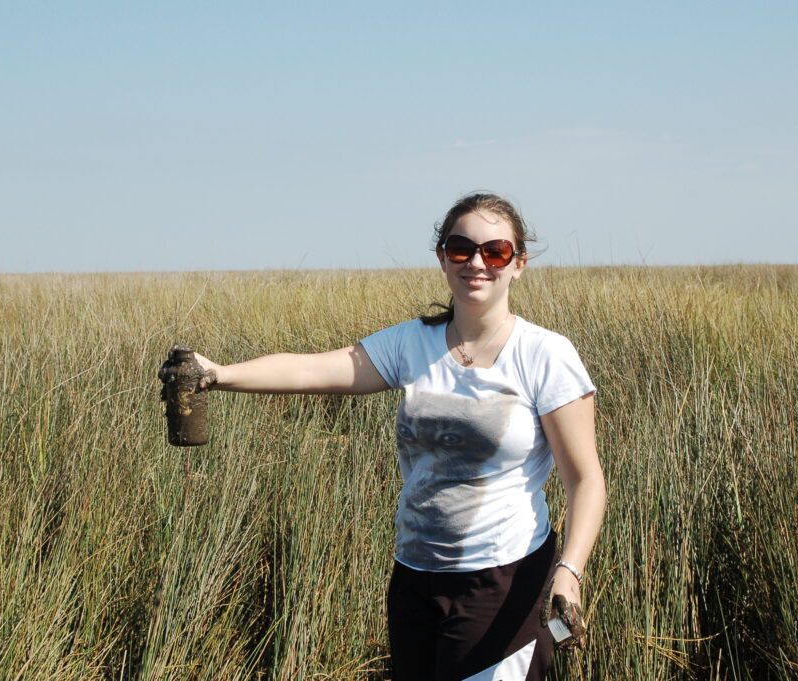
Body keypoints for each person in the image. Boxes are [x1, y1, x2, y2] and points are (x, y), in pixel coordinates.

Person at [192, 192, 606, 681]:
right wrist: (218, 374)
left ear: (518, 265)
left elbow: (585, 481)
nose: (477, 262)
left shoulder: (545, 355)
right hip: (414, 575)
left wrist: (570, 571)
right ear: (442, 257)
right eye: (461, 248)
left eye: (495, 252)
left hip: (503, 579)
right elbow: (314, 370)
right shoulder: (413, 343)